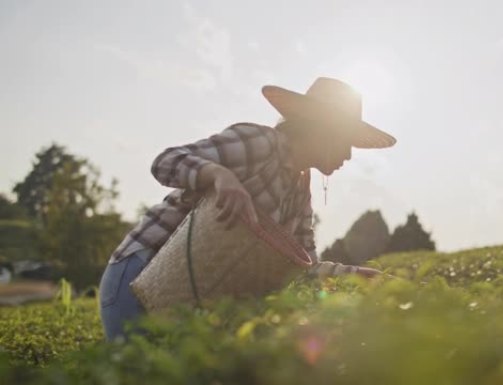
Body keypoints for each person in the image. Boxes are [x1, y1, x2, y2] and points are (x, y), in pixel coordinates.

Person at [98, 77, 397, 341]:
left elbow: (300, 267)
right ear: (321, 130)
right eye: (345, 141)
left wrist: (354, 274)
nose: (347, 154)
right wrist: (219, 175)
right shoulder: (261, 143)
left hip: (190, 295)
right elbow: (165, 162)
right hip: (141, 269)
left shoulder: (300, 192)